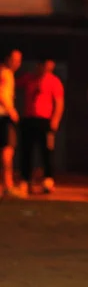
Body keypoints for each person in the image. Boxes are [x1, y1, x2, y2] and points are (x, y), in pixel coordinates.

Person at [17, 61, 64, 195]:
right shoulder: (29, 78)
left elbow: (59, 102)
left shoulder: (54, 81)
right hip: (29, 119)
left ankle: (48, 180)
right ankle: (25, 180)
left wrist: (55, 120)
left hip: (45, 121)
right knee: (26, 151)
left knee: (47, 152)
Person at [0, 50, 22, 198]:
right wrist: (11, 110)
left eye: (19, 60)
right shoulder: (5, 73)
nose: (17, 63)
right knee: (7, 151)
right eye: (15, 59)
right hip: (3, 116)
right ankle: (8, 185)